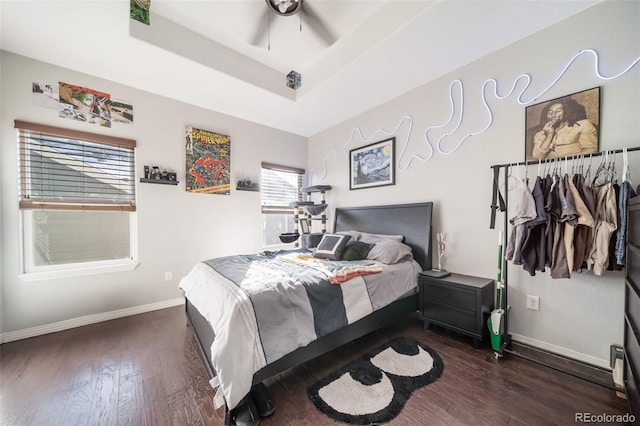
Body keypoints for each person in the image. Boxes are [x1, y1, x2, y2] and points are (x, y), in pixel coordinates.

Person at [531, 97, 598, 160]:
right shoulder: (539, 135)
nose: (553, 115)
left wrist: (563, 160)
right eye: (550, 112)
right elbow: (538, 157)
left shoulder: (582, 125)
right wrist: (549, 135)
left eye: (558, 111)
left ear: (566, 112)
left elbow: (591, 150)